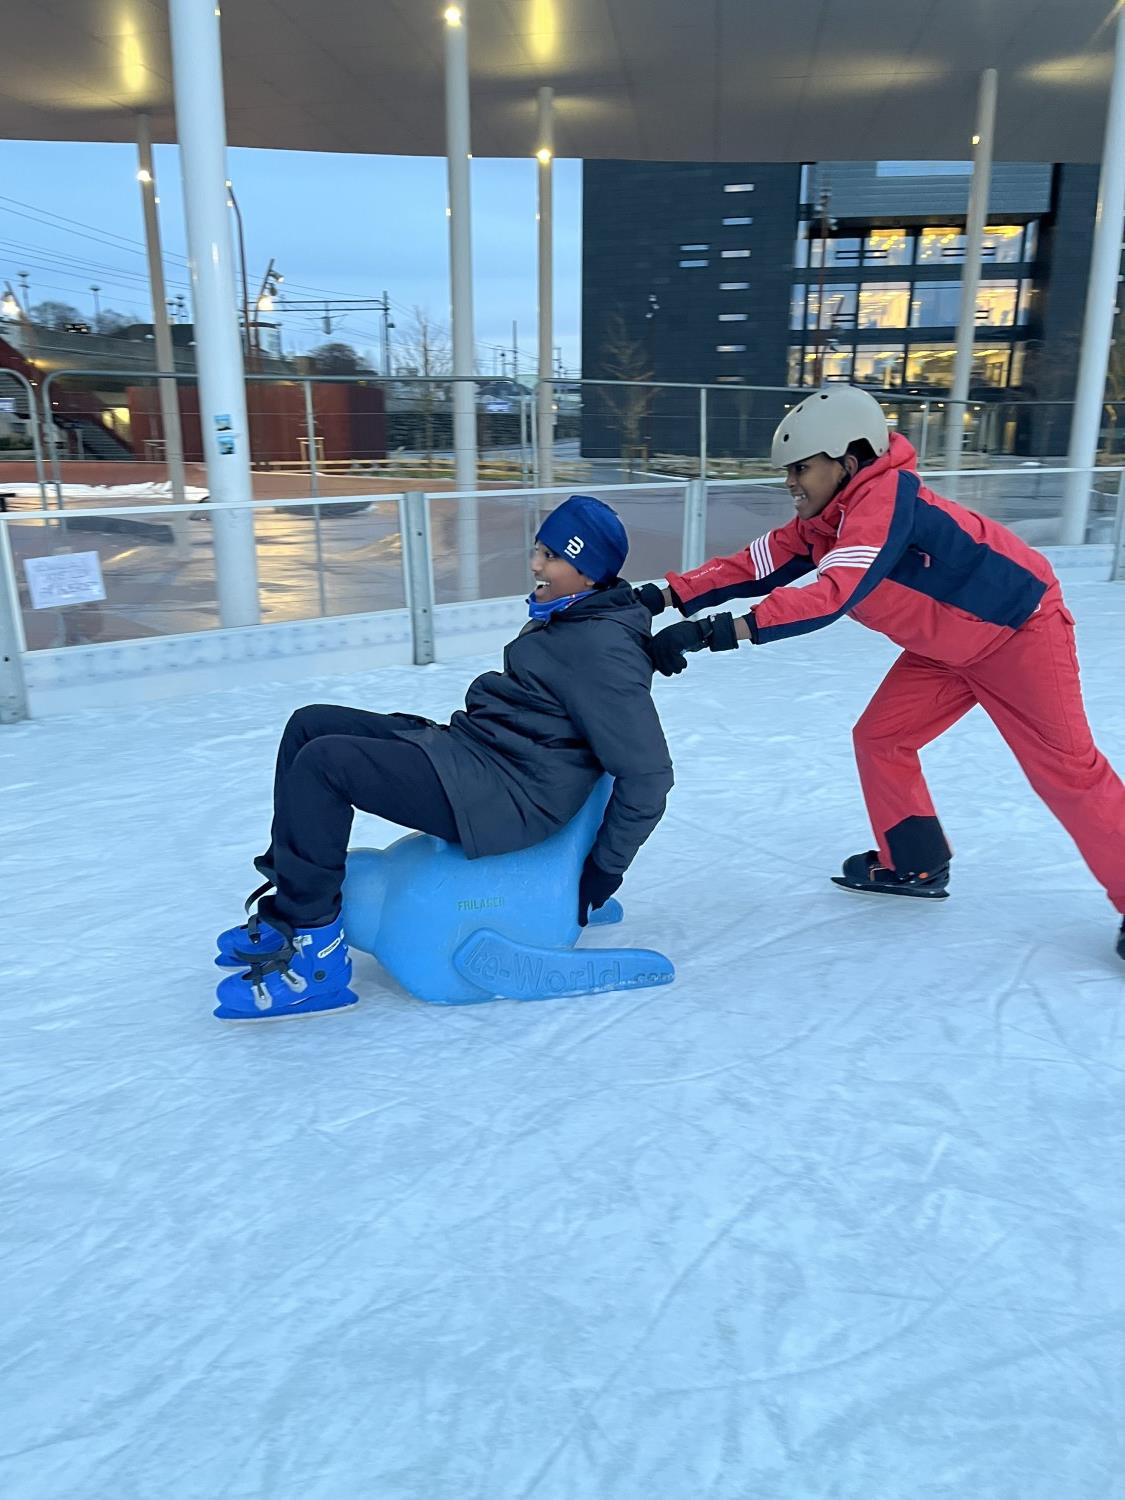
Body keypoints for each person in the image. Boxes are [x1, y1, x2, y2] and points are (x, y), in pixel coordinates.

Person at [639, 384, 1125, 962]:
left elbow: (834, 593)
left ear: (847, 463)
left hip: (1020, 631)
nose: (790, 482)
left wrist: (716, 631)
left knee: (1069, 771)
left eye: (801, 468)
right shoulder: (825, 520)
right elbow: (757, 563)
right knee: (881, 738)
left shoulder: (885, 502)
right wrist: (663, 595)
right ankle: (915, 862)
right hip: (945, 649)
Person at [215, 494, 674, 1020]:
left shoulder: (601, 649)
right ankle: (293, 904)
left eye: (551, 556)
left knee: (327, 764)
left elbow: (648, 776)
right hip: (478, 755)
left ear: (588, 573)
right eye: (537, 549)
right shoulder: (571, 615)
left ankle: (316, 959)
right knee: (310, 724)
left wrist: (602, 873)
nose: (534, 564)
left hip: (504, 798)